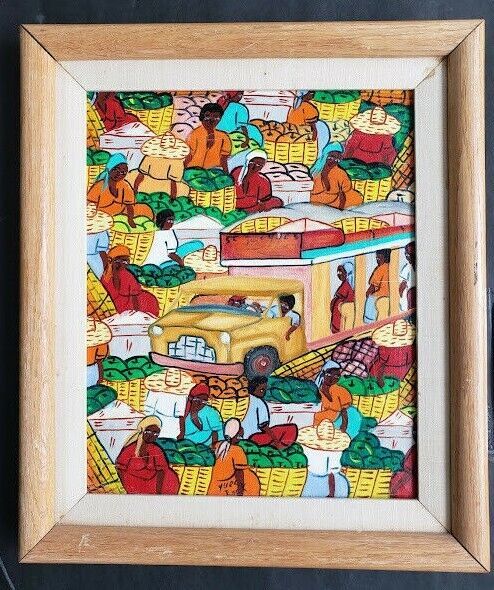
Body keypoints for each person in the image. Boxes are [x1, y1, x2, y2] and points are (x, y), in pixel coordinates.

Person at [115, 416, 180, 494]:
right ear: (142, 430)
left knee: (169, 476)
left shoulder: (156, 450)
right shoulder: (131, 448)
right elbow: (120, 468)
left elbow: (162, 471)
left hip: (152, 483)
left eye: (156, 433)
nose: (152, 435)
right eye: (148, 431)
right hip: (134, 483)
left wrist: (158, 492)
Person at [87, 153, 154, 226]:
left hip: (121, 212)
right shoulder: (99, 186)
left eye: (123, 172)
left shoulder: (125, 185)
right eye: (116, 170)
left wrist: (130, 219)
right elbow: (90, 204)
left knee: (146, 209)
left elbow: (129, 205)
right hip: (102, 215)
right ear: (110, 168)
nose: (119, 174)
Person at [101, 245, 159, 316]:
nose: (123, 263)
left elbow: (135, 289)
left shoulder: (125, 273)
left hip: (130, 301)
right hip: (120, 303)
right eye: (118, 260)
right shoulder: (112, 274)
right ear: (111, 261)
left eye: (125, 261)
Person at [208, 418, 261, 496]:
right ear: (237, 432)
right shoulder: (237, 450)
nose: (242, 430)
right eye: (240, 428)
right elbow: (239, 474)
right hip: (230, 489)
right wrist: (240, 493)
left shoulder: (218, 445)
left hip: (215, 489)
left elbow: (212, 445)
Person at [241, 376, 298, 448]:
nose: (264, 392)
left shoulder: (244, 399)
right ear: (253, 388)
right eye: (262, 390)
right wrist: (275, 440)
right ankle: (278, 446)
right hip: (254, 438)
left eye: (265, 390)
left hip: (243, 438)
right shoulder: (259, 402)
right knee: (292, 428)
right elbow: (263, 426)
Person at [131, 132, 190, 200]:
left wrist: (135, 189)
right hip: (150, 185)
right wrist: (173, 198)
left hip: (160, 187)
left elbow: (140, 175)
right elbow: (174, 183)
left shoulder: (150, 157)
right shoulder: (176, 162)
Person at [310, 143, 364, 209]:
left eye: (337, 159)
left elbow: (344, 191)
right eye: (331, 157)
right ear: (325, 155)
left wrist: (340, 208)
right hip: (316, 200)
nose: (334, 161)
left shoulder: (340, 173)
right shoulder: (315, 171)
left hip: (335, 201)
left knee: (356, 198)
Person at [184, 103, 232, 171]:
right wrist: (184, 171)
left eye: (216, 116)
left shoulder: (224, 137)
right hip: (194, 171)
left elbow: (224, 160)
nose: (211, 119)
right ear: (202, 116)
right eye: (207, 115)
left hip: (214, 172)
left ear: (220, 118)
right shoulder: (194, 134)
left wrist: (226, 174)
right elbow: (188, 157)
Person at [178, 382, 224, 447]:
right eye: (197, 399)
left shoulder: (211, 412)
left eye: (204, 401)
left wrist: (213, 447)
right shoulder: (184, 412)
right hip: (188, 445)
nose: (200, 403)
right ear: (191, 398)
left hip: (207, 444)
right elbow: (181, 433)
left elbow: (215, 432)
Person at [364, 249, 391, 324]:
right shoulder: (390, 267)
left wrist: (367, 294)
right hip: (388, 296)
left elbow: (373, 285)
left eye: (379, 258)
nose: (377, 260)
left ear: (385, 258)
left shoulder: (381, 268)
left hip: (378, 296)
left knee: (370, 301)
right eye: (376, 258)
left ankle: (369, 322)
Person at [330, 262, 355, 333]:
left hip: (342, 309)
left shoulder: (347, 284)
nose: (339, 274)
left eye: (341, 272)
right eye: (338, 272)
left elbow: (350, 297)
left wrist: (341, 303)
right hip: (337, 310)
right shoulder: (344, 283)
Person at [399, 242, 416, 311]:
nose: (408, 256)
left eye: (411, 254)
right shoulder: (406, 268)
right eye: (407, 254)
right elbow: (402, 285)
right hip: (409, 297)